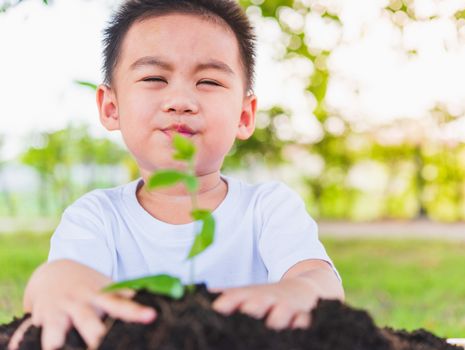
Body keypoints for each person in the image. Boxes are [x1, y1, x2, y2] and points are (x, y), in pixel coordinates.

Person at [9, 0, 344, 349]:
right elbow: (55, 285)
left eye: (209, 81)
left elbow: (318, 278)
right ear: (111, 108)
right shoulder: (96, 217)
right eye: (155, 78)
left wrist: (301, 291)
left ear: (244, 116)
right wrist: (53, 280)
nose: (181, 100)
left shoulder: (268, 208)